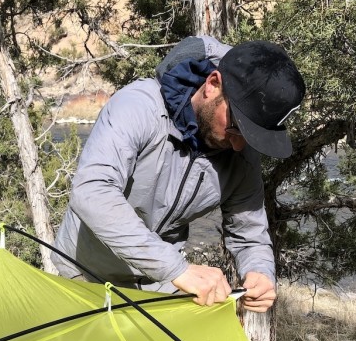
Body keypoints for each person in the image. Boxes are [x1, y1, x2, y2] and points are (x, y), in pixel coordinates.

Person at [52, 36, 306, 312]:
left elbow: (250, 235)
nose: (238, 144)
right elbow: (93, 191)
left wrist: (260, 273)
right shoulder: (140, 107)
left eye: (252, 135)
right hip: (83, 270)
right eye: (237, 126)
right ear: (212, 84)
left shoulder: (240, 150)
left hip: (155, 285)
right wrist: (176, 268)